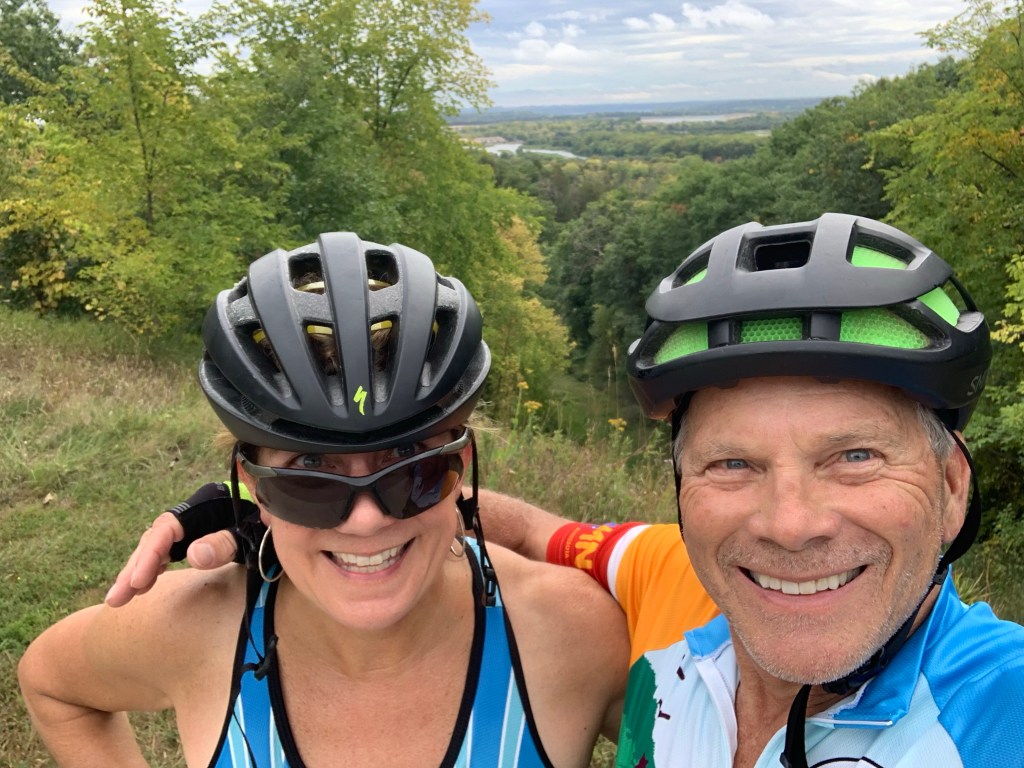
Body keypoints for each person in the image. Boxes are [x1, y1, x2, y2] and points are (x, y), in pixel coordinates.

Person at [110, 214, 1024, 767]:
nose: (790, 525)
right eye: (732, 465)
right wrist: (292, 511)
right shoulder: (666, 586)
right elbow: (532, 528)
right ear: (682, 492)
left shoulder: (999, 708)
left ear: (953, 487)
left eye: (855, 457)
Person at [18, 233, 628, 768]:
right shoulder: (198, 627)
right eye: (308, 475)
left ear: (460, 465)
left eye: (411, 467)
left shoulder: (573, 634)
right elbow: (51, 685)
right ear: (254, 487)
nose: (366, 519)